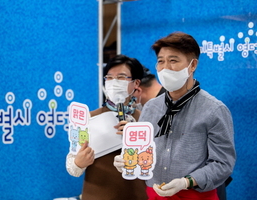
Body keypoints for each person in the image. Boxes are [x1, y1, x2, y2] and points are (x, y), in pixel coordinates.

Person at [114, 32, 236, 200]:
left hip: (195, 195)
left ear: (192, 65)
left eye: (173, 61)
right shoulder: (151, 108)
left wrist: (186, 182)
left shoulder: (214, 110)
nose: (165, 68)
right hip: (154, 194)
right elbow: (142, 150)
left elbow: (222, 164)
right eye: (161, 61)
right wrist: (127, 160)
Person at [66, 54, 147, 200]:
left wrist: (136, 152)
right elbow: (72, 167)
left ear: (136, 83)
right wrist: (79, 162)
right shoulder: (88, 119)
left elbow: (159, 163)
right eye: (109, 78)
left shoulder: (146, 120)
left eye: (121, 77)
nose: (114, 82)